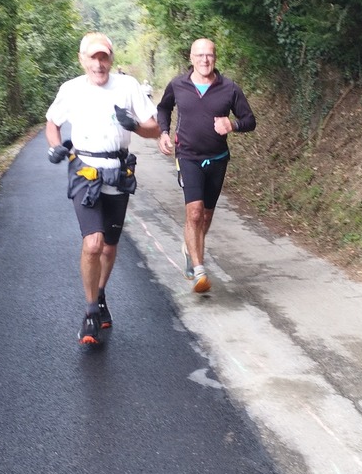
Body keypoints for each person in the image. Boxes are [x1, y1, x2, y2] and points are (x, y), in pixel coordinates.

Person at [46, 32, 160, 344]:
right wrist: (55, 147)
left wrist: (134, 125)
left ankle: (99, 294)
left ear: (111, 59)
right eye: (93, 57)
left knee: (109, 246)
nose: (99, 64)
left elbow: (155, 129)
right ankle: (90, 312)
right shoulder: (71, 90)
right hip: (84, 171)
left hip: (118, 171)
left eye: (104, 57)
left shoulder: (128, 86)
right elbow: (52, 122)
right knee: (93, 243)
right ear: (82, 59)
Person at [156, 38, 256, 294]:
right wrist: (164, 132)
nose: (204, 59)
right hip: (188, 156)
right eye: (199, 55)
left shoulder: (229, 88)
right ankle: (199, 270)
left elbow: (249, 120)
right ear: (191, 58)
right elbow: (164, 108)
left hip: (218, 159)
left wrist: (232, 125)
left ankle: (190, 248)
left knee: (207, 215)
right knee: (195, 212)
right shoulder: (178, 85)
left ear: (215, 58)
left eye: (209, 55)